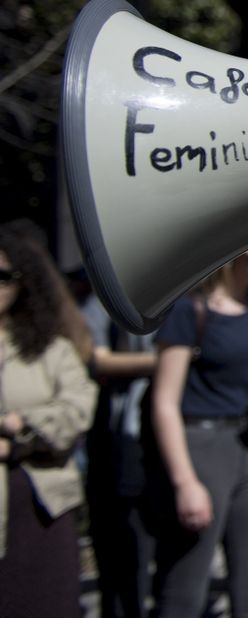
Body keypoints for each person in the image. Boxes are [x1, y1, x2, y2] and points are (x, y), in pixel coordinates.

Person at [148, 241, 248, 618]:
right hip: (200, 446)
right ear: (237, 250)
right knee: (186, 588)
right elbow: (164, 402)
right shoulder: (189, 309)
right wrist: (185, 483)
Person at [0, 219, 97, 618]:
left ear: (23, 283)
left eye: (3, 276)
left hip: (40, 509)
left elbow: (78, 406)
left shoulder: (50, 347)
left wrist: (20, 426)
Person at [81, 290, 159, 618]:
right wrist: (171, 359)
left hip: (168, 429)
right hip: (122, 433)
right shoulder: (106, 296)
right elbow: (94, 356)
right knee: (123, 543)